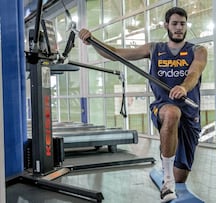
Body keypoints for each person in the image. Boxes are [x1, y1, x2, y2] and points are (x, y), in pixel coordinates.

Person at [78, 7, 207, 202]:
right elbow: (115, 54)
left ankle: (169, 165)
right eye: (174, 23)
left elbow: (194, 73)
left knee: (182, 176)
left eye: (182, 23)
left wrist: (183, 87)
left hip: (190, 112)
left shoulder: (198, 50)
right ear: (166, 26)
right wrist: (93, 40)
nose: (179, 28)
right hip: (163, 106)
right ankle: (167, 184)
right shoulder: (154, 49)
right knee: (172, 113)